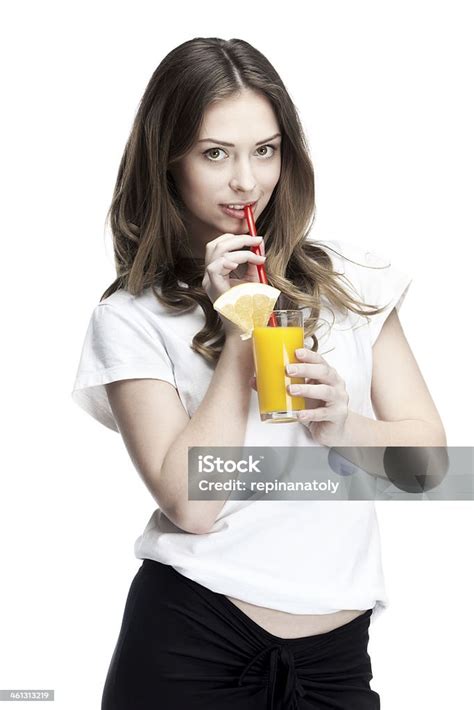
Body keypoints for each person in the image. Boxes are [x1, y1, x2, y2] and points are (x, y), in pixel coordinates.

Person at [71, 37, 446, 710]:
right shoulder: (131, 317)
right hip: (191, 644)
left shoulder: (353, 284)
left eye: (264, 150)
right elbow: (192, 505)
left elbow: (429, 468)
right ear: (169, 163)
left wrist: (345, 427)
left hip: (335, 661)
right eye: (215, 153)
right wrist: (242, 334)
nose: (247, 181)